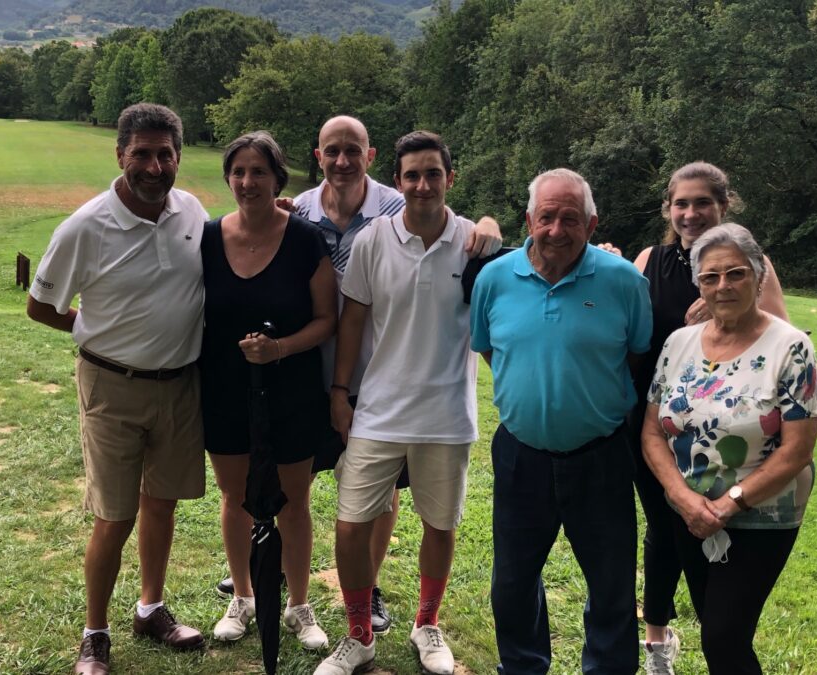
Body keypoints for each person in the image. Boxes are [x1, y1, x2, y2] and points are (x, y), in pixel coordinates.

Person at [215, 115, 502, 634]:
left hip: (377, 375)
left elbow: (448, 220)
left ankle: (365, 593)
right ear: (318, 156)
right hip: (304, 368)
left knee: (379, 491)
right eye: (332, 151)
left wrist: (487, 225)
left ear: (370, 158)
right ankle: (263, 580)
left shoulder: (397, 205)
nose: (342, 160)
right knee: (284, 484)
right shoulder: (297, 210)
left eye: (353, 150)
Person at [27, 103, 207, 675]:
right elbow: (40, 306)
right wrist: (92, 329)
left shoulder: (191, 209)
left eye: (165, 154)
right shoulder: (85, 226)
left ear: (177, 156)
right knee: (115, 514)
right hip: (112, 386)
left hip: (179, 384)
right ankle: (95, 634)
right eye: (142, 154)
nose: (155, 167)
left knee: (162, 504)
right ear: (120, 155)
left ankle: (150, 609)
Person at [470, 168, 652, 675]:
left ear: (591, 224)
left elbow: (636, 354)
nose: (556, 229)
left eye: (569, 218)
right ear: (528, 219)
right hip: (520, 456)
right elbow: (490, 350)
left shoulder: (624, 282)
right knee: (512, 582)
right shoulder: (494, 279)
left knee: (611, 582)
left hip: (602, 457)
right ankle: (524, 667)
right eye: (546, 217)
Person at [314, 131, 479, 675]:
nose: (423, 184)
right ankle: (359, 636)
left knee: (440, 525)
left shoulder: (475, 245)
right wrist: (341, 392)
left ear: (450, 179)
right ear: (398, 181)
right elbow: (353, 321)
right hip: (378, 409)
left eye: (433, 173)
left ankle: (426, 624)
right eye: (412, 175)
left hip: (447, 415)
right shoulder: (373, 239)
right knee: (350, 523)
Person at [641, 223, 817, 674]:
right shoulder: (678, 344)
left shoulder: (791, 348)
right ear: (699, 285)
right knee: (716, 631)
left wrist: (727, 506)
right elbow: (652, 431)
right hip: (689, 512)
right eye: (710, 277)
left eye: (735, 273)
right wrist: (683, 499)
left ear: (758, 276)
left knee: (724, 637)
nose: (722, 286)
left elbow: (797, 450)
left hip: (761, 515)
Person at [629, 161, 788, 674]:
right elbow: (621, 311)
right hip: (657, 421)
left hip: (729, 435)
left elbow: (783, 337)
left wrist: (724, 310)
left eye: (702, 203)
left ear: (724, 205)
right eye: (681, 203)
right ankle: (657, 641)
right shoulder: (650, 258)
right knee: (664, 525)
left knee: (714, 531)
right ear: (667, 209)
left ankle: (725, 627)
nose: (691, 213)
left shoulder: (743, 262)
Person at [200, 131, 337, 651]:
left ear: (278, 178)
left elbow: (327, 320)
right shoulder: (209, 237)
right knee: (235, 498)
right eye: (238, 171)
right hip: (225, 387)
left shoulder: (305, 240)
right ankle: (244, 595)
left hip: (292, 388)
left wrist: (279, 349)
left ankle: (299, 605)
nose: (247, 181)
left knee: (292, 502)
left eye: (259, 171)